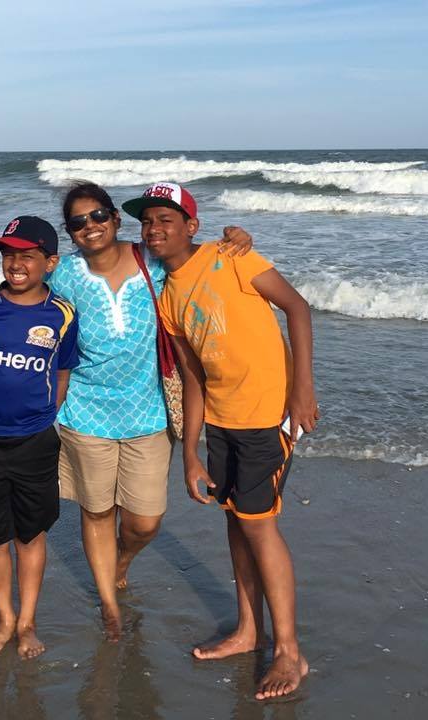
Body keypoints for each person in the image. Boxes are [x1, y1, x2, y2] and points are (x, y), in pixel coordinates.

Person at [0, 182, 253, 640]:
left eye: (97, 217)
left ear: (114, 219)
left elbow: (191, 254)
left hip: (148, 413)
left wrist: (236, 239)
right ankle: (109, 605)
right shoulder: (67, 273)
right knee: (96, 512)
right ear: (69, 234)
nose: (89, 227)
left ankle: (123, 558)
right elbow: (20, 288)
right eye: (77, 222)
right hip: (83, 413)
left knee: (144, 520)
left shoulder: (151, 260)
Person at [121, 181, 318, 700]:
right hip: (223, 424)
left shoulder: (233, 257)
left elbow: (297, 309)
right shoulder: (168, 297)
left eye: (166, 219)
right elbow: (192, 378)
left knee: (259, 528)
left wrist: (302, 391)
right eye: (147, 222)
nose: (155, 229)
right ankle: (249, 631)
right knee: (237, 524)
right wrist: (189, 453)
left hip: (266, 417)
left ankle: (290, 652)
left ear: (192, 225)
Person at [0, 215, 79, 659]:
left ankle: (28, 622)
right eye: (8, 255)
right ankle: (5, 618)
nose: (15, 263)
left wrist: (45, 417)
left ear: (50, 262)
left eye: (27, 255)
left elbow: (61, 373)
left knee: (30, 534)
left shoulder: (62, 315)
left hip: (35, 443)